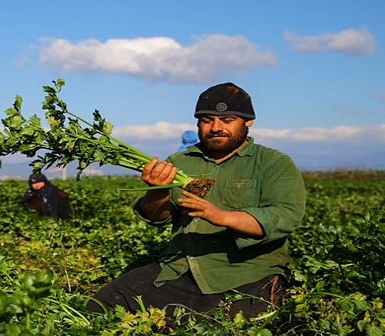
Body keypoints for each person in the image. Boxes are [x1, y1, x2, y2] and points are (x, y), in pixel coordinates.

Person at [87, 82, 306, 319]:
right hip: (181, 268)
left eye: (227, 120)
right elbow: (156, 217)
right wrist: (157, 191)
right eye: (207, 120)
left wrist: (221, 216)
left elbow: (284, 216)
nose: (215, 127)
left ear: (248, 121)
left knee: (207, 329)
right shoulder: (180, 161)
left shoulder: (273, 163)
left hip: (246, 274)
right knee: (103, 304)